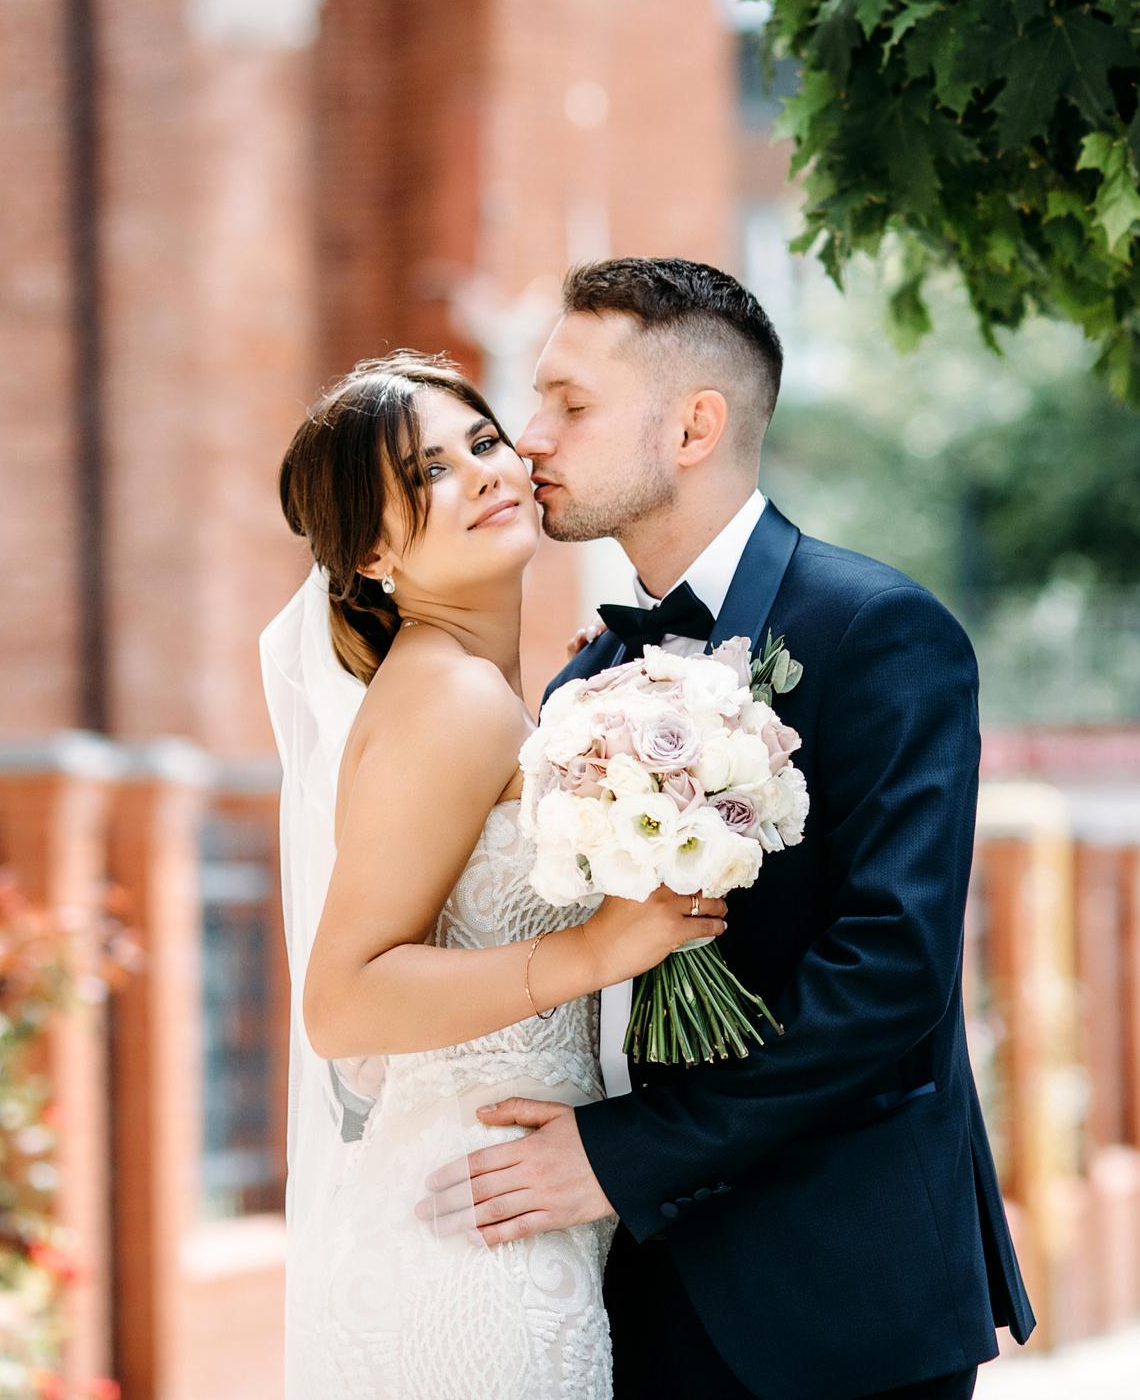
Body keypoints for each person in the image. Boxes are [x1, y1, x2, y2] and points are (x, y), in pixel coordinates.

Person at [442, 258, 1036, 1400]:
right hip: (626, 1291)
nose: (528, 439)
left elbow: (891, 974)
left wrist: (621, 1159)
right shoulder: (588, 681)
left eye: (570, 403)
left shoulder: (880, 632)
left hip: (836, 1290)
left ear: (693, 427)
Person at [264, 353, 726, 1399]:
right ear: (372, 552)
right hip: (471, 1241)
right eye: (427, 472)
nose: (482, 473)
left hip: (503, 1209)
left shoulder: (491, 695)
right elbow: (342, 1006)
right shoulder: (451, 701)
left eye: (481, 442)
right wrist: (595, 950)